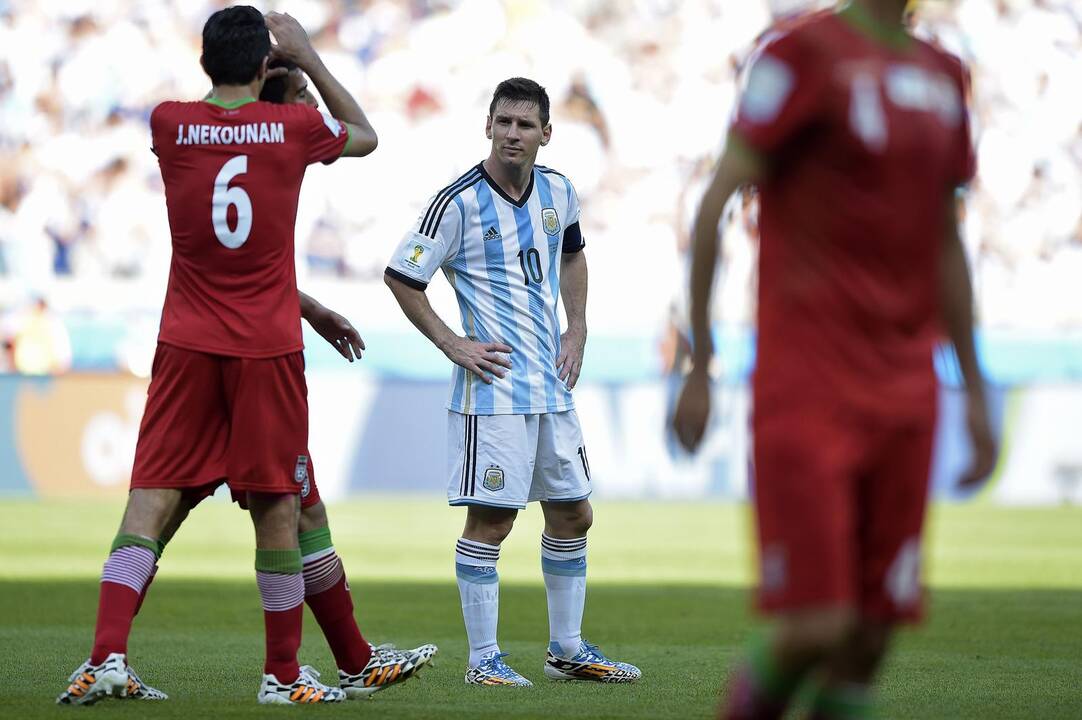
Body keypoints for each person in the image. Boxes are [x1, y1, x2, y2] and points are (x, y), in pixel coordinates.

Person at [671, 2, 999, 719]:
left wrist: (975, 387)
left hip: (910, 388)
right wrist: (699, 361)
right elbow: (717, 202)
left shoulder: (945, 75)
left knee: (871, 638)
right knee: (817, 625)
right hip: (809, 383)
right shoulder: (800, 54)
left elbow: (946, 240)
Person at [58, 7, 383, 706]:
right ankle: (283, 674)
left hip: (185, 343)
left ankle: (104, 657)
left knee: (148, 503)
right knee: (277, 507)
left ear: (205, 59)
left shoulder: (168, 124)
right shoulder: (294, 129)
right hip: (265, 347)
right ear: (266, 65)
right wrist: (312, 61)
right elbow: (365, 136)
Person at [384, 77, 641, 687]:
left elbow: (573, 255)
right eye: (502, 122)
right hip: (493, 390)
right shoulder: (457, 202)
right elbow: (401, 275)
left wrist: (575, 328)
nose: (512, 134)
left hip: (551, 386)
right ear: (488, 127)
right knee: (493, 521)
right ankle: (483, 661)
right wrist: (452, 343)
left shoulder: (559, 191)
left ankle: (567, 649)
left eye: (525, 125)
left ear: (546, 134)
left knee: (574, 513)